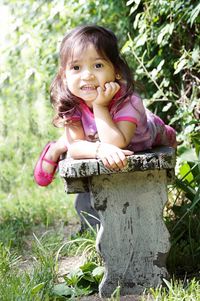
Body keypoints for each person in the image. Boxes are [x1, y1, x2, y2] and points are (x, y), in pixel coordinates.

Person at [34, 24, 176, 232]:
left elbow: (118, 143)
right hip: (95, 139)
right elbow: (77, 148)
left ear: (116, 71)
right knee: (76, 143)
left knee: (165, 136)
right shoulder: (71, 103)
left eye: (98, 65)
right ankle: (56, 148)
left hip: (143, 133)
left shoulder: (128, 100)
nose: (87, 75)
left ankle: (61, 144)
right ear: (64, 75)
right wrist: (98, 149)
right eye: (76, 68)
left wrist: (100, 106)